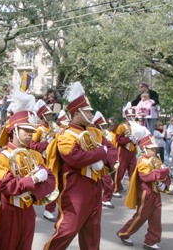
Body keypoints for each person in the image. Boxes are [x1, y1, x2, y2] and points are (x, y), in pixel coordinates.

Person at [44, 82, 118, 250]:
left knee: (92, 233)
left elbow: (112, 149)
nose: (91, 115)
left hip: (94, 186)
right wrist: (100, 153)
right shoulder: (66, 135)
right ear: (76, 113)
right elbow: (74, 158)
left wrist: (103, 158)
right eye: (88, 112)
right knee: (67, 229)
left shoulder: (94, 132)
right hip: (75, 187)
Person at [0, 87, 56, 250]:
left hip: (28, 210)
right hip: (8, 211)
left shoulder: (35, 155)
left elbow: (51, 180)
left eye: (32, 131)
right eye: (27, 130)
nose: (31, 134)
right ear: (14, 131)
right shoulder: (1, 156)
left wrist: (33, 187)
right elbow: (6, 186)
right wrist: (35, 180)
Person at [116, 122, 171, 250]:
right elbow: (147, 177)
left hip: (155, 192)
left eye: (154, 148)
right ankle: (124, 233)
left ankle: (151, 241)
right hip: (147, 193)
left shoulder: (155, 159)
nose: (154, 150)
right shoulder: (142, 161)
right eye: (152, 148)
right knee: (141, 216)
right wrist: (163, 171)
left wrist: (164, 181)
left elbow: (159, 174)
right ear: (145, 149)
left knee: (156, 219)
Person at [29, 99, 57, 222]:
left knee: (53, 184)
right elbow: (32, 146)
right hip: (42, 160)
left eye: (51, 114)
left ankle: (49, 209)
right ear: (43, 116)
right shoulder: (39, 129)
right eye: (49, 114)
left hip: (53, 158)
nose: (51, 116)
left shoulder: (52, 127)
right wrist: (47, 142)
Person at [113, 102, 138, 198]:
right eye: (129, 116)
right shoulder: (122, 126)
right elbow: (117, 139)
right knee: (120, 170)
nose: (131, 118)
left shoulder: (136, 126)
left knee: (133, 171)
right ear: (126, 116)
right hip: (123, 151)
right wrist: (128, 139)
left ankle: (133, 191)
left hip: (132, 151)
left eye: (133, 116)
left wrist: (135, 140)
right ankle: (115, 189)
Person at [92, 111, 116, 209]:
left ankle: (106, 199)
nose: (106, 127)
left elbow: (111, 147)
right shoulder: (93, 134)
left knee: (108, 181)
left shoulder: (102, 135)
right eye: (103, 126)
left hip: (103, 162)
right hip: (94, 162)